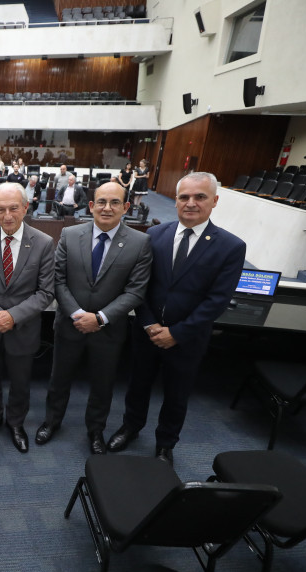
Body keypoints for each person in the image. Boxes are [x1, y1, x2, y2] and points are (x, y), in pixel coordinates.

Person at [108, 172, 246, 465]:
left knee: (176, 394)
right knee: (137, 385)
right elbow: (138, 286)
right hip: (146, 332)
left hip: (187, 339)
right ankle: (131, 427)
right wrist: (148, 324)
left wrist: (177, 332)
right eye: (184, 197)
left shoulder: (231, 247)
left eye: (200, 197)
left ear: (215, 201)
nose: (191, 203)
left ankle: (165, 444)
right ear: (175, 201)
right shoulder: (155, 235)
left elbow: (217, 301)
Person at [35, 182, 152, 453]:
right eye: (101, 201)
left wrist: (99, 318)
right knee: (58, 379)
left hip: (108, 330)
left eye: (114, 202)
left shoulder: (140, 242)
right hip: (70, 324)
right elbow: (58, 280)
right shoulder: (69, 234)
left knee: (103, 385)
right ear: (91, 206)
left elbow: (136, 291)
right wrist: (78, 314)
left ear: (126, 207)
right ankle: (52, 422)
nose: (106, 208)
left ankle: (95, 431)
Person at [0, 183, 55, 453]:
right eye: (0, 209)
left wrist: (13, 317)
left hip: (23, 328)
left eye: (14, 208)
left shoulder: (43, 243)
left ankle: (16, 423)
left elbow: (46, 292)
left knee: (20, 382)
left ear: (26, 207)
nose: (7, 215)